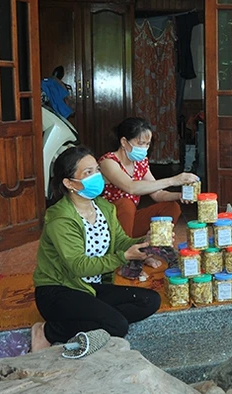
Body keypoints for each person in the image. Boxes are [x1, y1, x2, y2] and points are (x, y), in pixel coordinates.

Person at [31, 146, 160, 352]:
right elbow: (79, 266)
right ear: (69, 183)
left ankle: (95, 316)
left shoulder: (104, 207)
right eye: (88, 172)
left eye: (97, 170)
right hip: (59, 290)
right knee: (117, 325)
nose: (96, 176)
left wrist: (146, 242)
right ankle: (48, 331)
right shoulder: (61, 217)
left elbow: (120, 242)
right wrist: (123, 257)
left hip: (90, 287)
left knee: (150, 300)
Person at [99, 118, 198, 243]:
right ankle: (124, 248)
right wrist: (173, 180)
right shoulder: (108, 162)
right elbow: (131, 187)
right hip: (109, 222)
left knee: (172, 207)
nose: (144, 148)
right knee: (126, 203)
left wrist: (180, 195)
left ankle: (155, 245)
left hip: (130, 219)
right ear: (124, 142)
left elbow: (157, 194)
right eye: (141, 143)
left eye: (147, 144)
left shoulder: (140, 162)